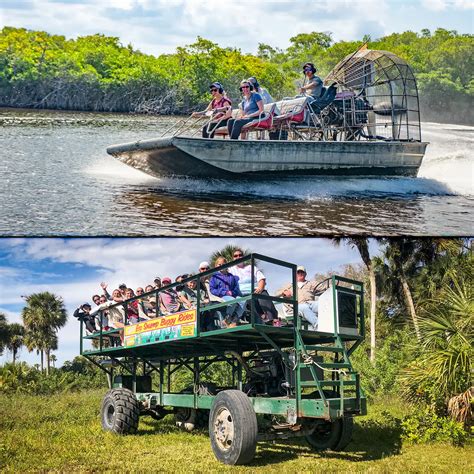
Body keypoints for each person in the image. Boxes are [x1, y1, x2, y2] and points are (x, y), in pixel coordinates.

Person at [230, 248, 278, 325]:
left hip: (254, 290)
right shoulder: (231, 270)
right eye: (235, 256)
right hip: (241, 293)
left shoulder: (251, 267)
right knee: (249, 300)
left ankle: (273, 319)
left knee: (263, 293)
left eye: (240, 255)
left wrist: (260, 288)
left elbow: (261, 279)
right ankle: (263, 318)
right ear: (233, 258)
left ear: (243, 256)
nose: (238, 257)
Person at [276, 265, 320, 330]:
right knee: (303, 307)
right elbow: (276, 294)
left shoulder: (311, 284)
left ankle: (333, 325)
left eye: (302, 272)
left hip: (310, 304)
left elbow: (325, 286)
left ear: (305, 274)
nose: (300, 274)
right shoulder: (289, 285)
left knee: (323, 304)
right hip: (296, 307)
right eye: (298, 272)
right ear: (295, 274)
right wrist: (283, 293)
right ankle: (318, 326)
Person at [209, 256, 244, 327]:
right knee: (232, 300)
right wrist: (224, 292)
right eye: (219, 264)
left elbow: (236, 287)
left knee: (243, 300)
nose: (221, 266)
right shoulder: (214, 277)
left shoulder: (231, 276)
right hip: (222, 297)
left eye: (223, 264)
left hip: (232, 295)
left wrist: (232, 292)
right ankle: (227, 319)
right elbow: (212, 290)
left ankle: (234, 321)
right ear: (216, 266)